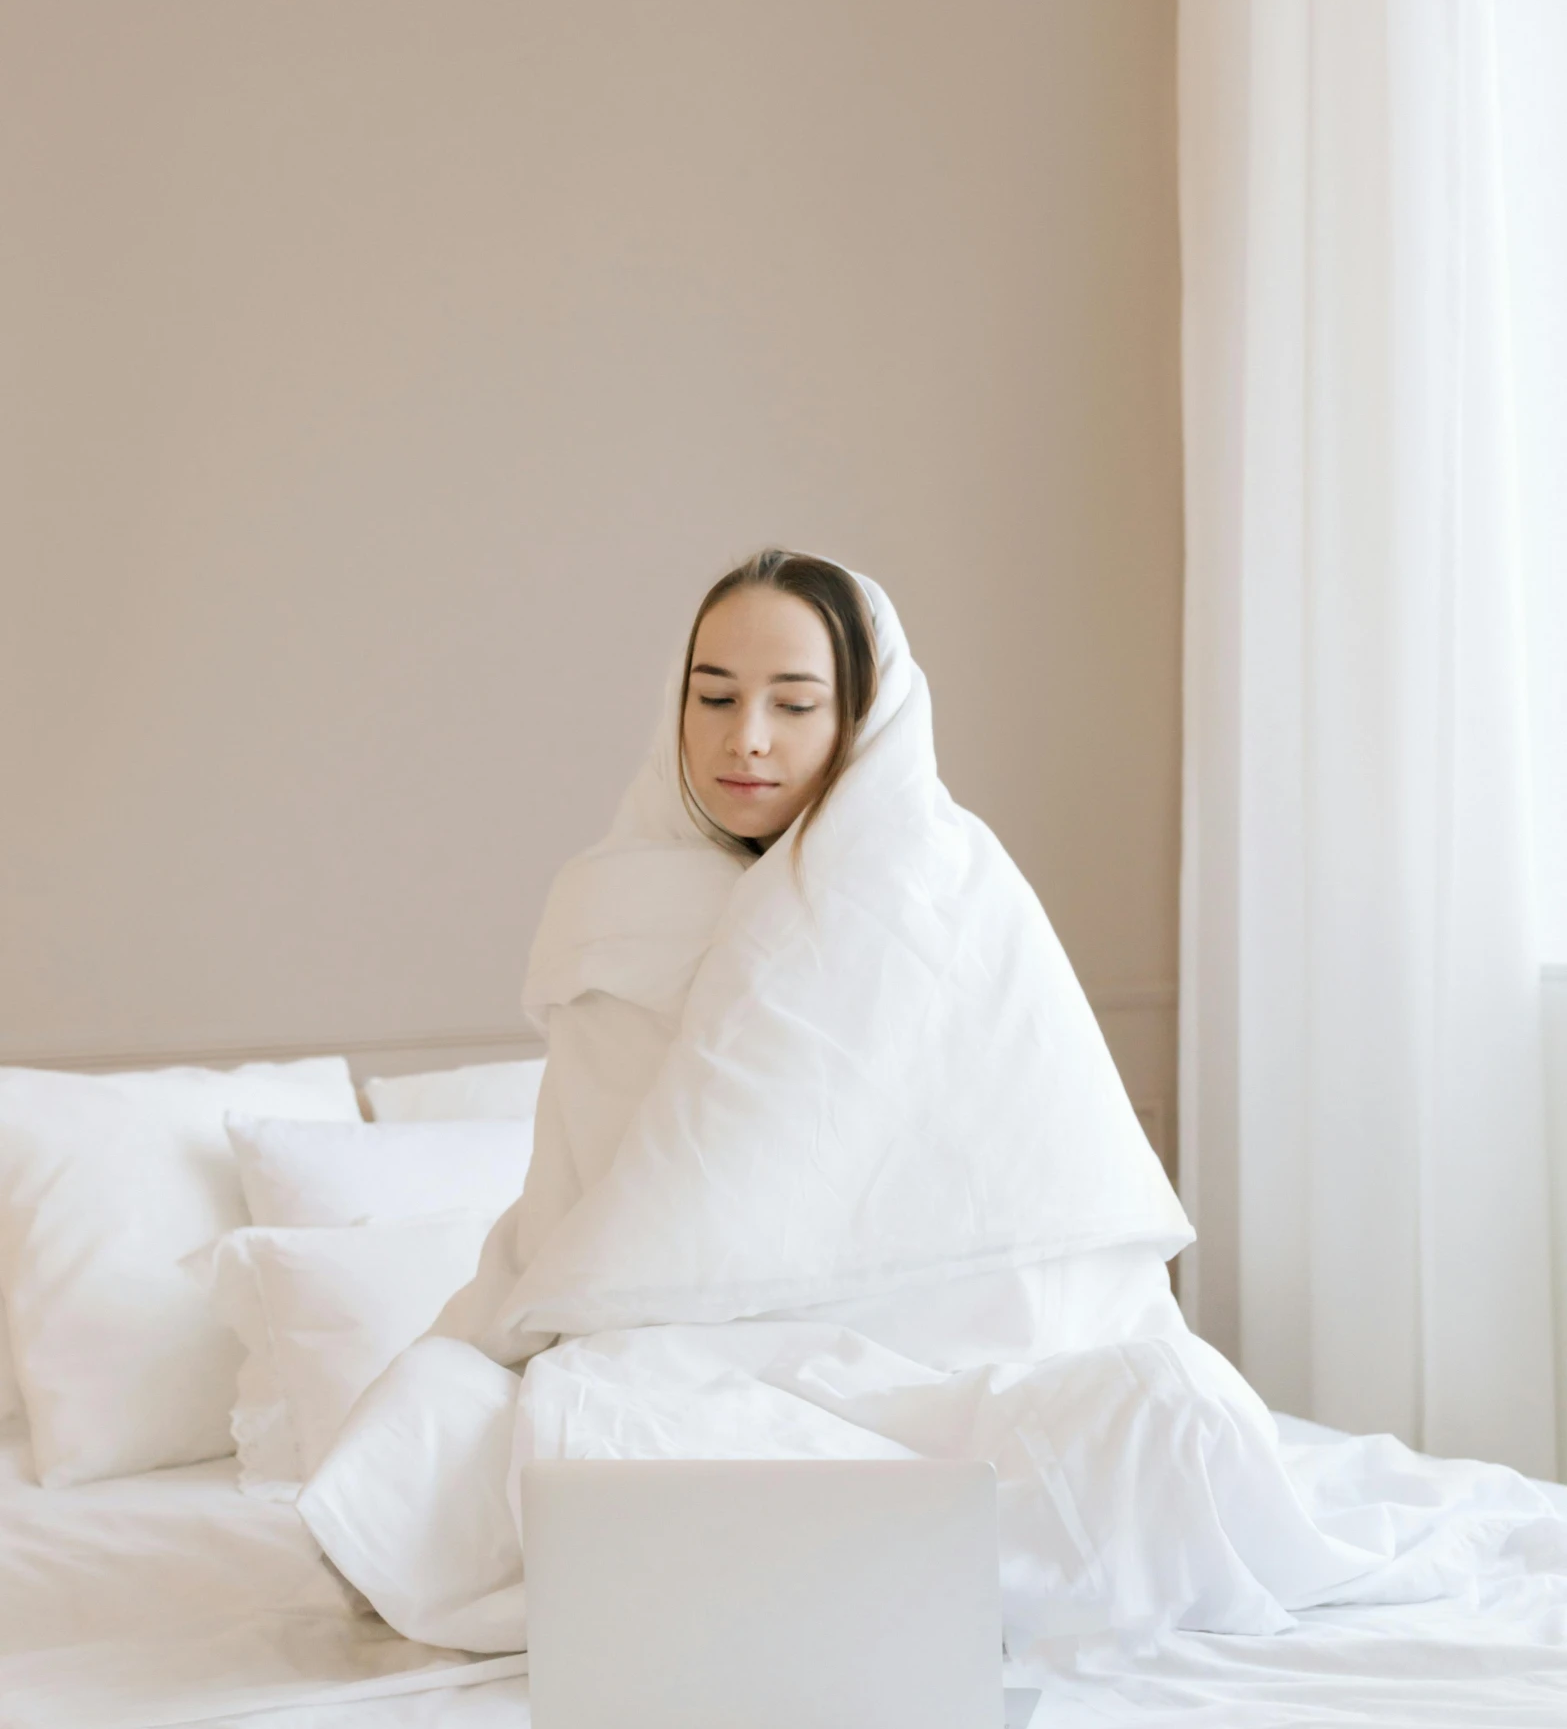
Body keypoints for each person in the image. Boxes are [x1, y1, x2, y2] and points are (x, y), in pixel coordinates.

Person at [301, 555, 1567, 1659]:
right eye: (715, 696)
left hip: (939, 1347)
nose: (747, 736)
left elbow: (1025, 1174)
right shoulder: (609, 903)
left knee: (1168, 1416)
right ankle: (866, 1562)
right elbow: (589, 1196)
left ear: (864, 716)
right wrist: (525, 1332)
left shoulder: (941, 891)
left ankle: (899, 1547)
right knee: (533, 1429)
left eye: (795, 704)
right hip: (674, 1336)